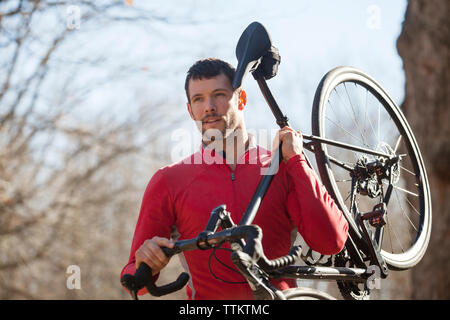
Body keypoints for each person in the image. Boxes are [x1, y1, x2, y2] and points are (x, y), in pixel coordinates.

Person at [121, 58, 348, 300]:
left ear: (241, 99)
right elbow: (134, 281)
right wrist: (147, 263)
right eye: (198, 99)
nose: (208, 107)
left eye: (219, 94)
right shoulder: (168, 181)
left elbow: (331, 241)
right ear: (190, 110)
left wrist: (296, 161)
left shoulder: (280, 166)